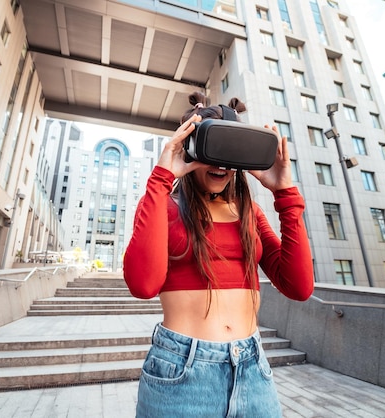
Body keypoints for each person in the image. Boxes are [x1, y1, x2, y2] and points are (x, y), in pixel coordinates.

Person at [123, 92, 314, 417]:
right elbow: (144, 285)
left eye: (232, 150)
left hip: (253, 366)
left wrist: (284, 193)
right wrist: (161, 177)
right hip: (182, 371)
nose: (223, 163)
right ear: (190, 147)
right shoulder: (163, 205)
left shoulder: (250, 212)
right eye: (215, 146)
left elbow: (299, 286)